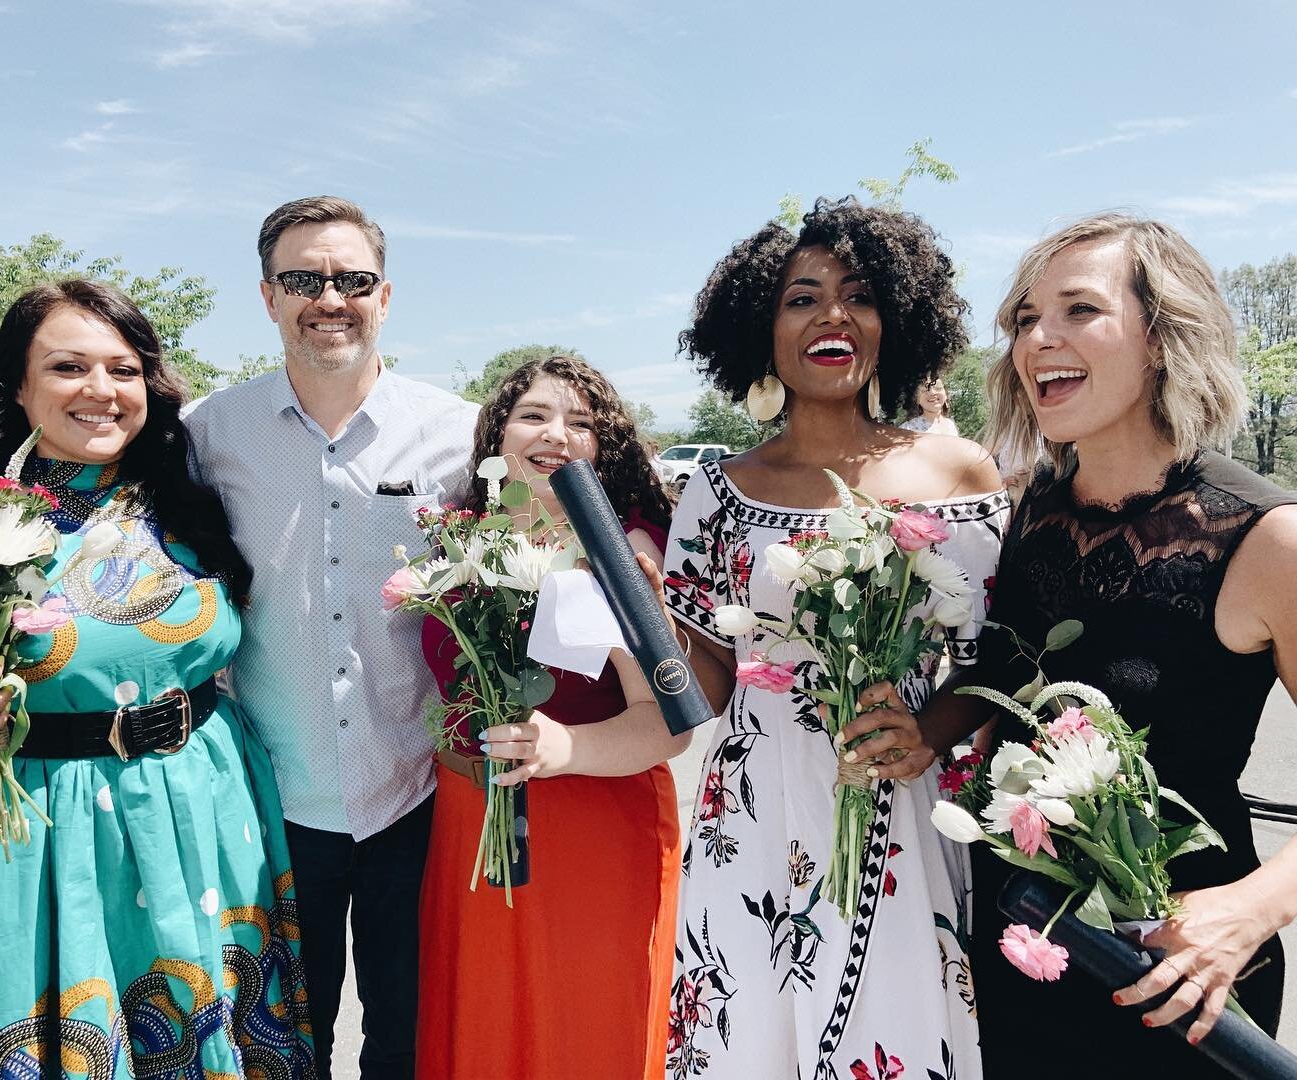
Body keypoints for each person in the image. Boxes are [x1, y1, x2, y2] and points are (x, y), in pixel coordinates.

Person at [0, 280, 313, 1077]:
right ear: (20, 390)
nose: (102, 391)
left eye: (124, 369)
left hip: (207, 814)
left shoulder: (188, 501)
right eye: (69, 367)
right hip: (37, 837)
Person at [914, 213, 1297, 1077]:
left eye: (1080, 309)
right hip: (1013, 941)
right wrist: (922, 732)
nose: (1037, 338)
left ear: (1163, 336)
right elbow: (1000, 687)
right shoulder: (1031, 510)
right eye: (1023, 318)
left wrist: (1254, 908)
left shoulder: (1267, 538)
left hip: (1176, 965)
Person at [662, 198, 1007, 1080]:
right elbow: (701, 680)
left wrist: (928, 733)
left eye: (857, 294)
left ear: (895, 318)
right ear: (761, 332)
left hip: (899, 801)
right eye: (800, 298)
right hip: (753, 808)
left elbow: (995, 657)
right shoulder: (718, 490)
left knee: (895, 1030)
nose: (831, 316)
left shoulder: (956, 473)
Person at [183, 195, 480, 1079]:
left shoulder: (460, 435)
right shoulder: (207, 434)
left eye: (351, 279)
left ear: (384, 296)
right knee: (281, 1044)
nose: (329, 297)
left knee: (411, 1039)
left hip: (418, 791)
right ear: (268, 296)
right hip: (272, 798)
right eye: (303, 278)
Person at [415, 354, 688, 1080]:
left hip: (592, 822)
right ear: (496, 432)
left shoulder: (619, 550)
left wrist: (563, 745)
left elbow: (671, 722)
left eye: (582, 423)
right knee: (484, 1028)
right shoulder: (460, 536)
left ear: (607, 447)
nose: (556, 434)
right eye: (534, 414)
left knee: (586, 1029)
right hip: (470, 822)